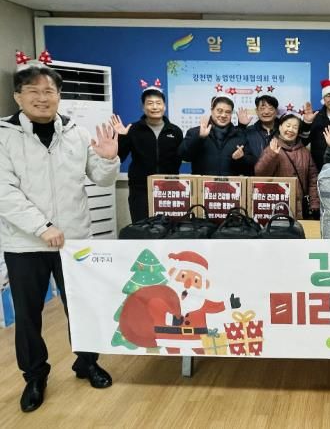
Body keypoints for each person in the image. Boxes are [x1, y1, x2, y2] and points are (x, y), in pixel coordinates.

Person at [0, 65, 120, 412]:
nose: (42, 98)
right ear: (18, 96)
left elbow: (100, 178)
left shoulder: (76, 132)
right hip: (25, 243)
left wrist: (109, 159)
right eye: (33, 91)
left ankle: (87, 363)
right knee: (28, 315)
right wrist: (42, 227)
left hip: (73, 241)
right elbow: (5, 192)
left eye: (49, 91)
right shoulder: (5, 135)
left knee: (82, 306)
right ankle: (34, 376)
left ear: (58, 95)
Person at [111, 84, 183, 222]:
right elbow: (119, 157)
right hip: (140, 190)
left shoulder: (175, 131)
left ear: (164, 106)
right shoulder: (133, 130)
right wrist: (122, 137)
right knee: (141, 227)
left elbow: (179, 158)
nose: (155, 107)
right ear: (143, 107)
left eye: (158, 103)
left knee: (169, 229)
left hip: (169, 189)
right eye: (150, 103)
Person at [254, 114, 320, 219]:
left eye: (295, 127)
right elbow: (260, 174)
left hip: (301, 208)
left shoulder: (305, 152)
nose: (290, 130)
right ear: (280, 127)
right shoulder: (271, 148)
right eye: (288, 125)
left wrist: (314, 203)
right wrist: (271, 155)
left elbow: (313, 179)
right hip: (277, 206)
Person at [178, 95, 254, 176]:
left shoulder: (239, 135)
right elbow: (184, 156)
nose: (223, 115)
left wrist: (242, 158)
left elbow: (250, 165)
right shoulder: (196, 132)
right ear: (212, 110)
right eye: (219, 111)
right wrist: (199, 138)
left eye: (228, 112)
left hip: (231, 183)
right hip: (203, 183)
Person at [244, 94, 279, 174]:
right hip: (254, 177)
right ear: (257, 111)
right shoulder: (248, 132)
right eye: (262, 109)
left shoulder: (284, 131)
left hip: (279, 178)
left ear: (276, 111)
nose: (266, 112)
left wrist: (306, 124)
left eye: (270, 109)